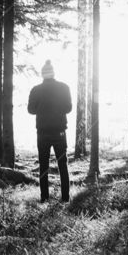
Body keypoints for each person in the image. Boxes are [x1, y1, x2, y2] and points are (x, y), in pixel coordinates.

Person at [28, 60, 71, 202]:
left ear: (42, 74)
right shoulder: (64, 87)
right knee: (63, 166)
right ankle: (65, 198)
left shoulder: (36, 90)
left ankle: (44, 198)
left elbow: (31, 110)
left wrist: (42, 107)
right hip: (60, 132)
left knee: (43, 167)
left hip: (42, 133)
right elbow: (68, 108)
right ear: (54, 73)